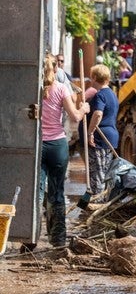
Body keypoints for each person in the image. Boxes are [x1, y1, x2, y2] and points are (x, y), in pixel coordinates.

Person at [40, 54, 90, 247]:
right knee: (57, 191)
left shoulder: (35, 89)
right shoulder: (61, 88)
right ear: (56, 69)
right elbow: (75, 116)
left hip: (39, 146)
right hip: (57, 146)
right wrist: (84, 108)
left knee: (38, 191)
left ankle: (31, 237)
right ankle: (58, 238)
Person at [83, 64, 119, 199]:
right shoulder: (112, 94)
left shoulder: (100, 95)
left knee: (96, 174)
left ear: (94, 77)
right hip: (111, 137)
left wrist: (90, 132)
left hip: (99, 138)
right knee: (105, 173)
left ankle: (95, 203)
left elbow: (98, 114)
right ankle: (96, 201)